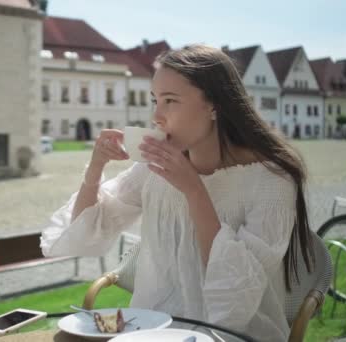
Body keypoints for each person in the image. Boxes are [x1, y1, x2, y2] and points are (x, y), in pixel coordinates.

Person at [40, 45, 314, 341]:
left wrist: (194, 191)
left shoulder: (273, 181)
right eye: (155, 100)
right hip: (153, 329)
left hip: (233, 335)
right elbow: (86, 234)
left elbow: (235, 299)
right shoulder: (155, 167)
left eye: (170, 101)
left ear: (215, 106)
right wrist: (95, 168)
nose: (157, 116)